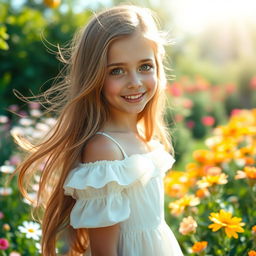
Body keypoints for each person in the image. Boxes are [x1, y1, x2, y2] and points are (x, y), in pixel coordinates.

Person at [14, 4, 183, 256]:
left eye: (145, 66)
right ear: (94, 77)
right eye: (117, 70)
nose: (135, 82)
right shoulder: (105, 150)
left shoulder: (141, 137)